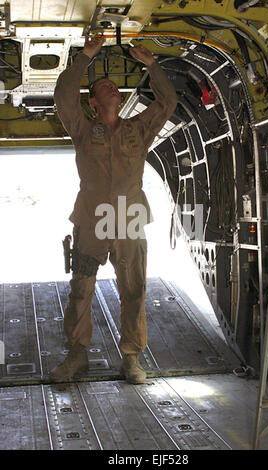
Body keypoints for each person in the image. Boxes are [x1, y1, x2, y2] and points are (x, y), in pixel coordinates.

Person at [50, 35, 177, 384]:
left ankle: (132, 357)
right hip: (92, 218)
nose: (113, 88)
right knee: (82, 287)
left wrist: (152, 65)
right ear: (93, 101)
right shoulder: (83, 128)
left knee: (133, 287)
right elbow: (63, 97)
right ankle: (77, 355)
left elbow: (168, 102)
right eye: (105, 86)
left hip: (130, 217)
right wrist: (84, 58)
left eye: (115, 86)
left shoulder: (138, 129)